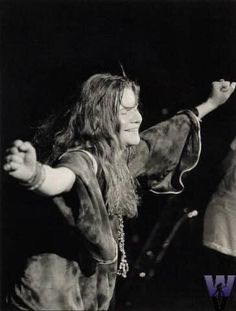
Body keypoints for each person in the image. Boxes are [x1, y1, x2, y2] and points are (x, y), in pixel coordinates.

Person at [3, 73, 235, 310]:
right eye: (125, 111)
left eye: (135, 108)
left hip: (87, 293)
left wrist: (211, 103)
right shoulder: (85, 157)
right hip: (48, 297)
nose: (137, 118)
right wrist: (34, 175)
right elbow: (62, 177)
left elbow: (158, 139)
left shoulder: (119, 156)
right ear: (100, 120)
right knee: (221, 269)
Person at [203, 136, 236, 309]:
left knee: (222, 270)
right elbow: (224, 167)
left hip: (223, 210)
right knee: (221, 271)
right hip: (223, 212)